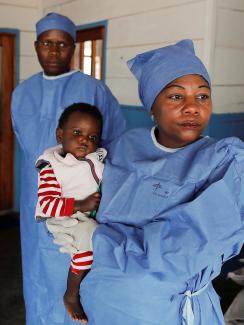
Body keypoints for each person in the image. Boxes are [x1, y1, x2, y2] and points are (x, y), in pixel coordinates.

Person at [54, 39, 244, 324]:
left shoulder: (226, 163)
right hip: (100, 302)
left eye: (203, 96)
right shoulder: (122, 148)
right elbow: (77, 186)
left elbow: (180, 251)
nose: (192, 107)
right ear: (151, 107)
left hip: (163, 311)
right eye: (176, 97)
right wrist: (64, 219)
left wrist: (96, 239)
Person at [11, 12, 126, 325]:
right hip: (36, 199)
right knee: (37, 271)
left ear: (73, 47)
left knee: (78, 266)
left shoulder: (93, 90)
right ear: (36, 45)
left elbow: (114, 144)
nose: (53, 51)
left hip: (83, 205)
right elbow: (25, 142)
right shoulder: (22, 93)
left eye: (62, 45)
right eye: (47, 43)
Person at [35, 103, 105, 323]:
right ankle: (71, 294)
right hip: (66, 218)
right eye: (77, 133)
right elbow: (46, 204)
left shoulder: (96, 158)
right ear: (60, 134)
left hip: (87, 214)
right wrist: (80, 205)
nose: (85, 140)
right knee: (88, 241)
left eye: (93, 137)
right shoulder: (53, 167)